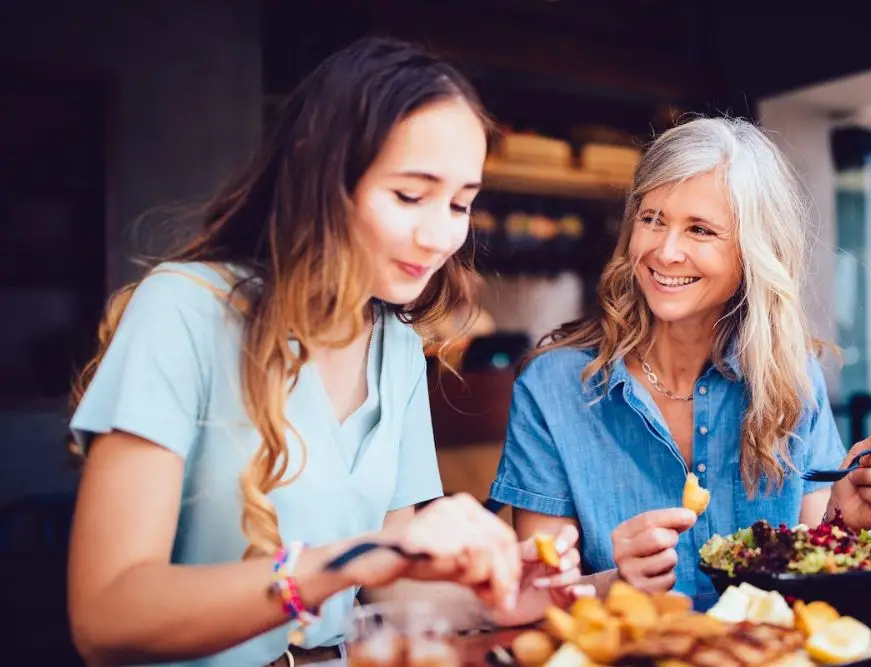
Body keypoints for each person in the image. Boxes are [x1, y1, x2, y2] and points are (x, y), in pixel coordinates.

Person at [67, 37, 585, 667]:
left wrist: (492, 594)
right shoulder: (183, 311)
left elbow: (390, 581)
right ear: (320, 172)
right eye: (409, 195)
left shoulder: (396, 346)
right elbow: (107, 613)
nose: (440, 234)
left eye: (459, 204)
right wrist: (350, 559)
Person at [488, 117, 871, 603]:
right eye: (652, 219)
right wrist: (616, 583)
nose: (666, 251)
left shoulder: (792, 378)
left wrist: (841, 522)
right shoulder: (553, 388)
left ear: (752, 252)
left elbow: (816, 585)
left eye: (700, 229)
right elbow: (535, 597)